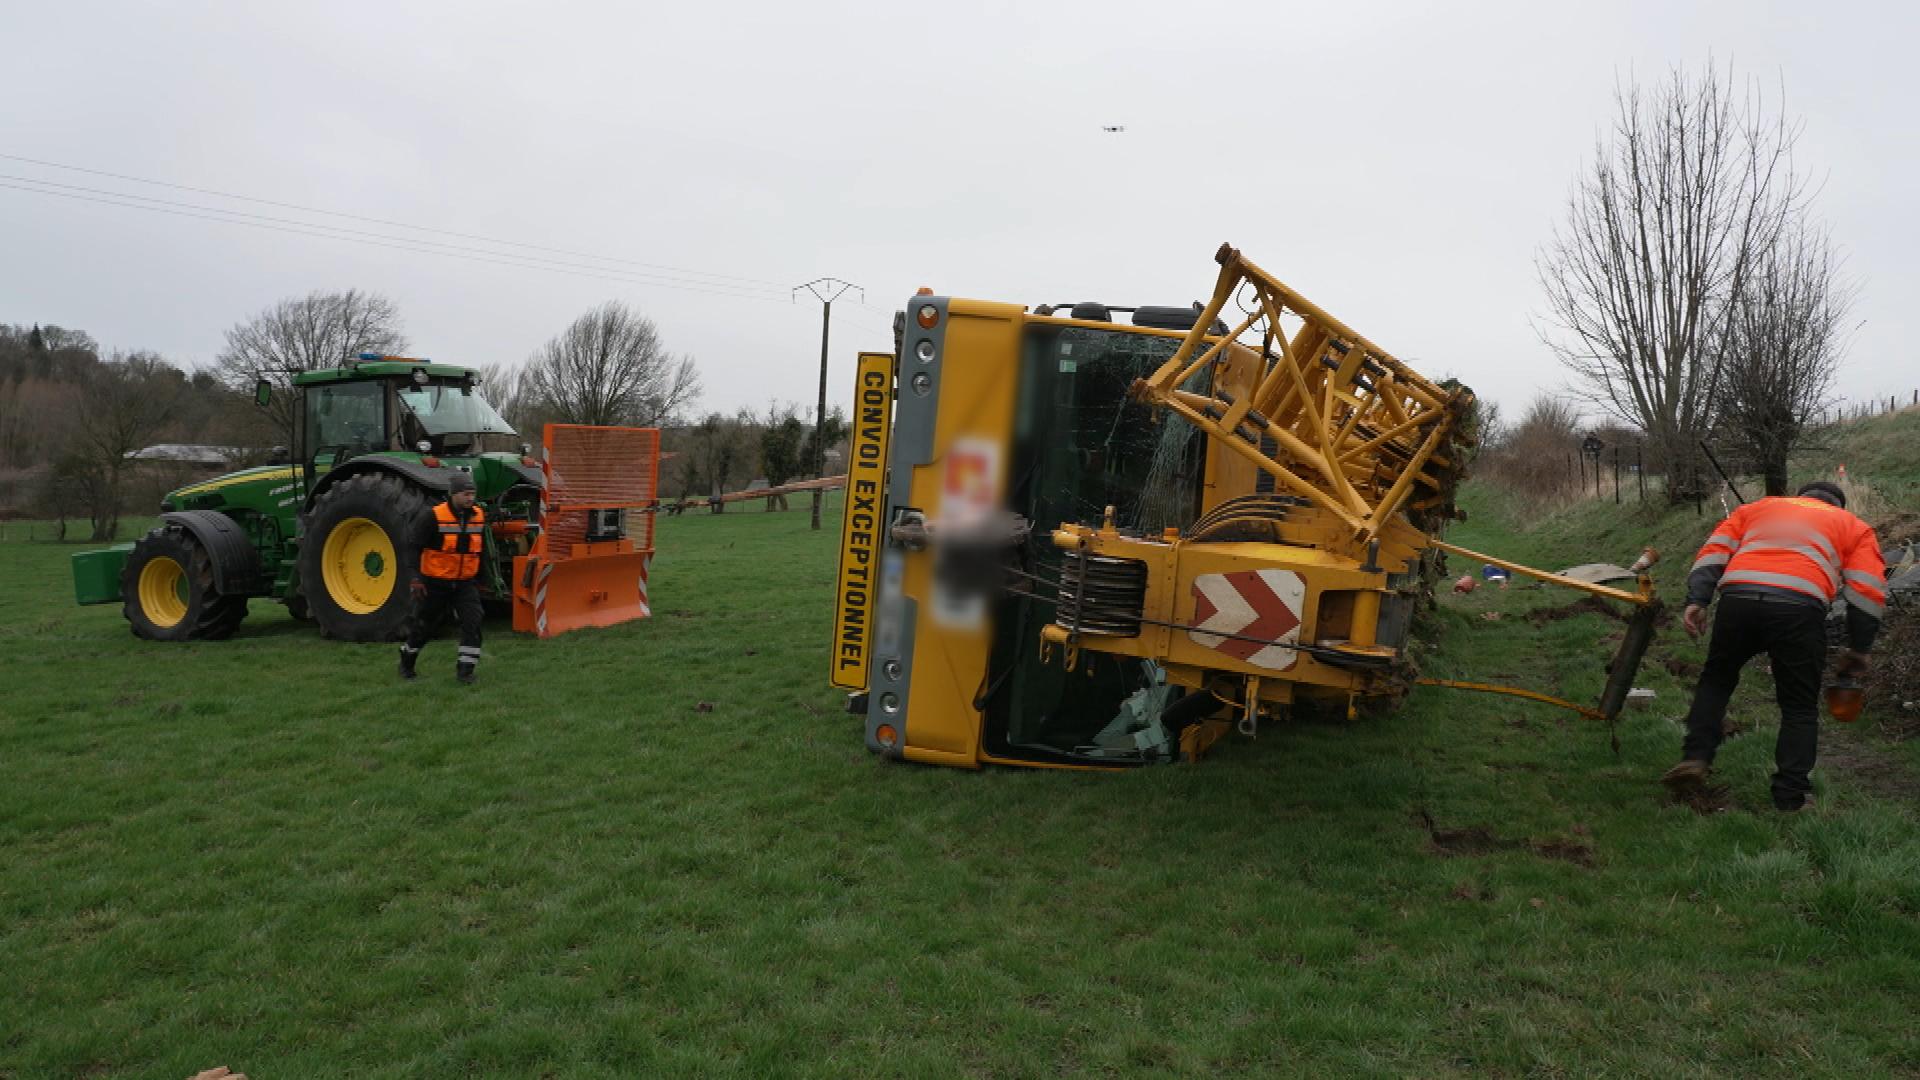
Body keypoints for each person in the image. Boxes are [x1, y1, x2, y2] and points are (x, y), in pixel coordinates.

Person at [1662, 480, 1887, 811]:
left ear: (1799, 498)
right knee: (1798, 705)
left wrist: (1698, 600)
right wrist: (1859, 649)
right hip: (1799, 610)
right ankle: (1791, 795)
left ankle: (1695, 757)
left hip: (1738, 601)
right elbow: (1866, 591)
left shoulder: (1757, 509)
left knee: (1717, 679)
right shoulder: (1853, 526)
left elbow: (1712, 553)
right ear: (1838, 505)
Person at [399, 470, 486, 684]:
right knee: (425, 626)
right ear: (453, 495)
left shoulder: (479, 516)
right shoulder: (432, 516)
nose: (470, 498)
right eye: (465, 494)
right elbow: (412, 548)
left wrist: (483, 580)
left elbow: (480, 551)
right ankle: (407, 659)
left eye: (472, 494)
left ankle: (465, 672)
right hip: (435, 584)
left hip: (465, 583)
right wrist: (415, 578)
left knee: (473, 622)